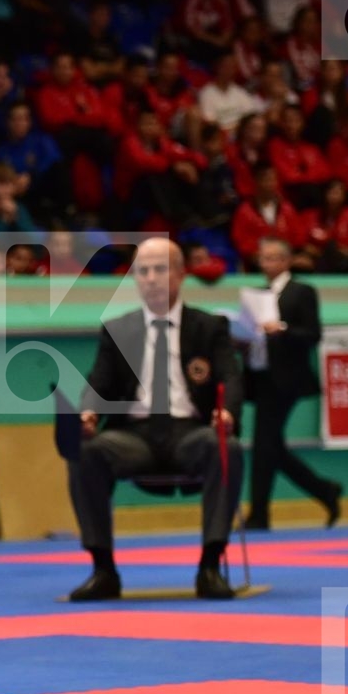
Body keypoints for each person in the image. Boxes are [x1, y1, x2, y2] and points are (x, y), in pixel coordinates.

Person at [68, 237, 243, 601]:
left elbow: (230, 376)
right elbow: (97, 381)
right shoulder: (118, 329)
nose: (150, 278)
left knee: (225, 447)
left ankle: (210, 565)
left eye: (159, 270)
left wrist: (227, 412)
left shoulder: (209, 327)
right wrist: (88, 413)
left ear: (180, 275)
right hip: (135, 436)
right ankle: (103, 569)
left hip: (190, 432)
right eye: (142, 271)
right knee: (85, 451)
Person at [243, 237, 341, 531]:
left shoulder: (302, 291)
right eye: (263, 258)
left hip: (287, 378)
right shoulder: (256, 295)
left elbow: (312, 334)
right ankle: (324, 489)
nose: (266, 264)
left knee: (265, 445)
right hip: (261, 374)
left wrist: (282, 330)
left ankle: (260, 514)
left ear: (286, 261)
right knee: (269, 446)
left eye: (272, 258)